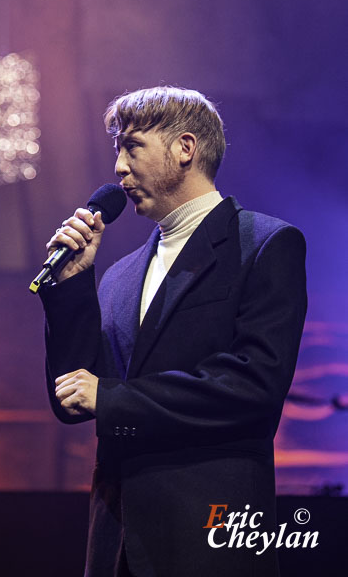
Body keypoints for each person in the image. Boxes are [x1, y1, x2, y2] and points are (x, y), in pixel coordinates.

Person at [39, 86, 307, 577]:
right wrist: (73, 288)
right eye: (117, 150)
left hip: (207, 537)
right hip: (114, 543)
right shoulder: (120, 274)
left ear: (185, 148)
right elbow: (72, 398)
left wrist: (114, 398)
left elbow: (254, 387)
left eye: (132, 146)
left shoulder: (265, 245)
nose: (118, 167)